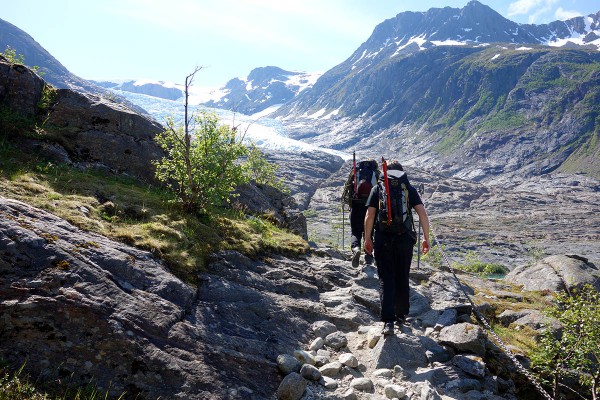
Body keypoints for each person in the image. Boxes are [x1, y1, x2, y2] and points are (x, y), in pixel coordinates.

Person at [363, 160, 430, 335]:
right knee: (402, 275)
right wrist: (426, 239)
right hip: (405, 239)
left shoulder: (378, 188)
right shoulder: (408, 188)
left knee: (386, 278)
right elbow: (422, 213)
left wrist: (368, 238)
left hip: (383, 239)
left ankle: (388, 322)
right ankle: (401, 315)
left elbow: (370, 215)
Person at [341, 158, 379, 268]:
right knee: (370, 232)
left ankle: (356, 249)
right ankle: (368, 258)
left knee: (355, 232)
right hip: (371, 206)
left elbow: (347, 190)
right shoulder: (376, 174)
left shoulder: (356, 172)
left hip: (356, 205)